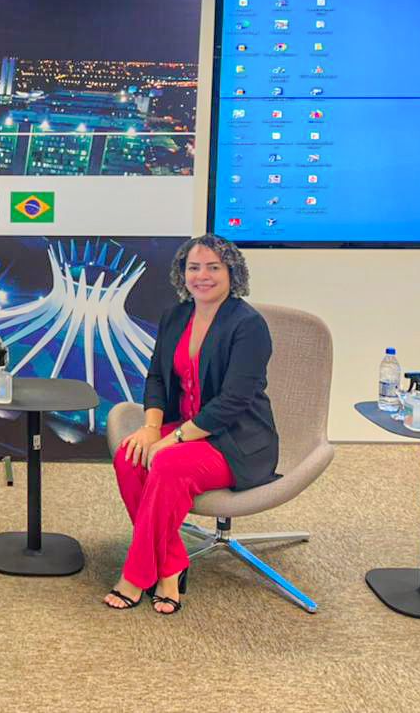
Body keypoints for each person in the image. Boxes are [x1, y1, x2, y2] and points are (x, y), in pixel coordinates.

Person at [104, 234, 278, 615]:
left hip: (237, 441)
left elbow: (233, 403)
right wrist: (152, 429)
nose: (203, 276)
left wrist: (173, 440)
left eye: (213, 267)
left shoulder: (249, 325)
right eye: (194, 267)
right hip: (187, 427)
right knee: (130, 456)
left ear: (232, 273)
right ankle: (171, 565)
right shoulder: (176, 315)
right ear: (182, 274)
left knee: (166, 464)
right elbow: (156, 377)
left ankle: (137, 575)